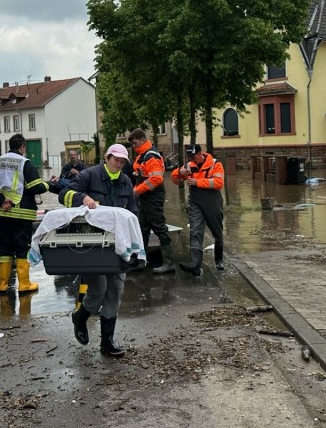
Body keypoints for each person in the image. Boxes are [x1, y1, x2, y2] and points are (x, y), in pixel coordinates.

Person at [59, 144, 138, 357]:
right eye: (116, 160)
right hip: (92, 245)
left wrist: (136, 248)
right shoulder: (89, 175)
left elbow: (132, 213)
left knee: (115, 290)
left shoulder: (126, 181)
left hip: (117, 244)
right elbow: (64, 194)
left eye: (122, 161)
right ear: (107, 157)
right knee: (98, 289)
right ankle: (81, 317)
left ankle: (107, 342)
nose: (119, 164)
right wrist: (81, 198)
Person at [0, 133, 49, 293]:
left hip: (2, 212)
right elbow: (36, 187)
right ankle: (24, 284)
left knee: (4, 247)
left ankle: (2, 285)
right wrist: (49, 184)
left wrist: (0, 200)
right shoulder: (24, 163)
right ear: (22, 147)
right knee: (22, 247)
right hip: (22, 213)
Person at [171, 144, 224, 275]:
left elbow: (219, 183)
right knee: (195, 231)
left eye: (193, 156)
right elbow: (175, 180)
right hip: (195, 202)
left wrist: (197, 182)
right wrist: (178, 172)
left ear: (201, 153)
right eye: (190, 157)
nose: (192, 159)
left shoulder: (215, 164)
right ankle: (195, 265)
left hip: (213, 201)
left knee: (217, 232)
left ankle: (219, 259)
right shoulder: (189, 165)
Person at [129, 129, 175, 274]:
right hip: (146, 196)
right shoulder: (143, 156)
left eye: (135, 143)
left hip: (153, 197)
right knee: (142, 228)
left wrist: (137, 190)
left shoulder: (150, 156)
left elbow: (156, 179)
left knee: (159, 227)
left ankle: (169, 262)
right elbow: (142, 175)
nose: (134, 147)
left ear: (142, 140)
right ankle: (141, 261)